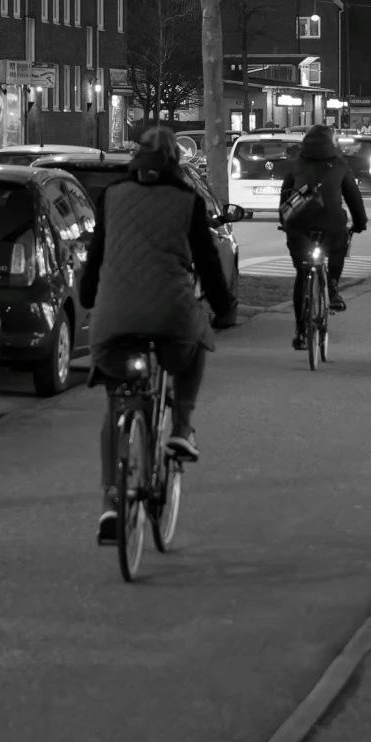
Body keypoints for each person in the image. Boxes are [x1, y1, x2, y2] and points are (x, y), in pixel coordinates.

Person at [79, 124, 235, 546]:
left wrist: (89, 296)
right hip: (171, 317)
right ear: (174, 163)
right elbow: (207, 264)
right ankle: (181, 427)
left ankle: (112, 501)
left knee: (117, 405)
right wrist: (225, 309)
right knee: (197, 336)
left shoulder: (111, 197)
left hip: (113, 320)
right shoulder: (187, 201)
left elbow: (94, 262)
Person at [278, 125, 368, 349]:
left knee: (302, 274)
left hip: (299, 227)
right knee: (338, 245)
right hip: (332, 226)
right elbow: (354, 199)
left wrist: (285, 224)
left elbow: (284, 201)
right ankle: (333, 287)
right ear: (331, 143)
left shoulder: (295, 165)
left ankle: (300, 331)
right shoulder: (339, 165)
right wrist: (359, 223)